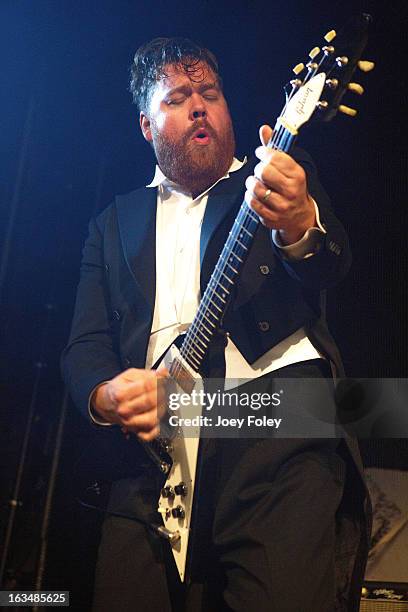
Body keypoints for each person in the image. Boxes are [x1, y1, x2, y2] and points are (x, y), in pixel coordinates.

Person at [62, 37, 370, 612]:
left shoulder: (275, 179)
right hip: (148, 461)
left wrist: (299, 223)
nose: (199, 106)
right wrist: (107, 395)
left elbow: (330, 264)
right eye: (178, 98)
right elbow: (84, 346)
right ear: (147, 127)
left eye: (210, 93)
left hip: (271, 427)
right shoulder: (112, 222)